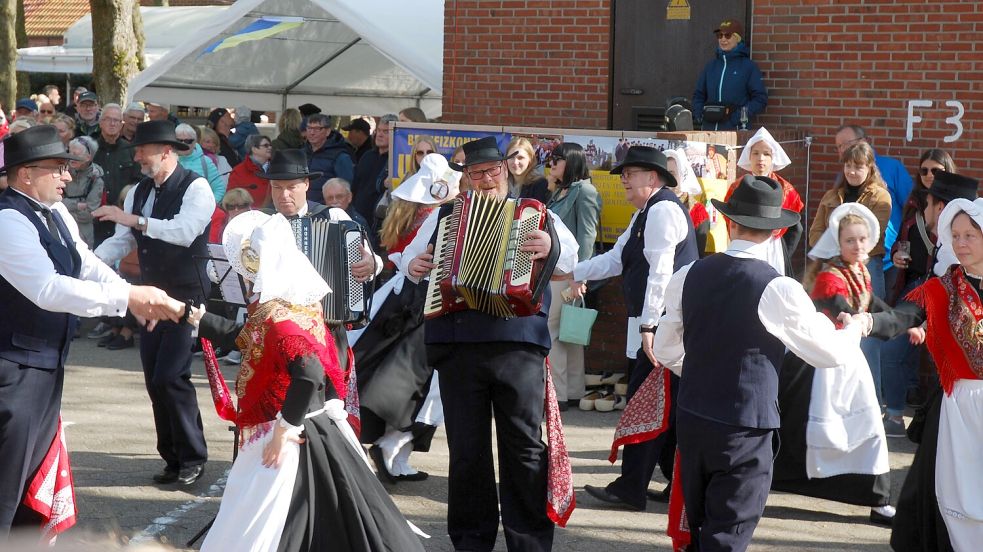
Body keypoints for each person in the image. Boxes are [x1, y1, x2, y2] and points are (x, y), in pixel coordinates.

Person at [653, 174, 869, 552]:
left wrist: (709, 369)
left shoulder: (688, 274)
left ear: (730, 223)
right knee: (726, 536)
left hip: (694, 417)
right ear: (773, 233)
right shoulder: (779, 288)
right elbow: (829, 353)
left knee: (703, 526)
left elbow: (666, 349)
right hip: (744, 428)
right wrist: (859, 327)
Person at [191, 211, 425, 552]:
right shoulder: (299, 300)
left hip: (291, 427)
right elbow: (253, 339)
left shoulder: (279, 314)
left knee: (279, 517)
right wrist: (200, 320)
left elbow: (309, 373)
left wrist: (283, 431)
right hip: (311, 424)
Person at [0, 125, 181, 539]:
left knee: (31, 481)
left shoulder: (55, 212)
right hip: (14, 371)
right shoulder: (8, 219)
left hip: (45, 365)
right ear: (26, 174)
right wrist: (128, 302)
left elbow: (86, 264)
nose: (67, 177)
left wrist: (132, 294)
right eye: (58, 168)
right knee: (7, 486)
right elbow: (47, 288)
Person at [404, 136, 580, 550]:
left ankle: (529, 542)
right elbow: (410, 263)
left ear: (507, 170)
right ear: (464, 178)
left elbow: (571, 262)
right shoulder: (445, 217)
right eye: (475, 173)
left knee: (523, 447)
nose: (485, 180)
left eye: (492, 171)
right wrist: (415, 265)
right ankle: (470, 540)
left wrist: (550, 248)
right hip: (458, 345)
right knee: (468, 452)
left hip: (517, 345)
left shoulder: (535, 214)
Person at [568, 146, 698, 511]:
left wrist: (649, 324)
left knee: (647, 404)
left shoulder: (662, 211)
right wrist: (569, 271)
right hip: (661, 325)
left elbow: (660, 272)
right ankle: (679, 485)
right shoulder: (645, 212)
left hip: (667, 326)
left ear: (652, 178)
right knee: (665, 409)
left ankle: (631, 488)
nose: (623, 179)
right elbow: (614, 259)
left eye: (631, 173)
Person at [777, 203, 921, 526]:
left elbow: (873, 304)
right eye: (849, 241)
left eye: (861, 240)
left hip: (847, 357)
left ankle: (877, 497)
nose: (856, 246)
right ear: (838, 243)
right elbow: (839, 304)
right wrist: (847, 315)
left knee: (862, 425)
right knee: (815, 424)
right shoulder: (831, 275)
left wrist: (905, 324)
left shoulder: (860, 272)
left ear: (870, 242)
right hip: (822, 358)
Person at [93, 120, 215, 487]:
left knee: (171, 377)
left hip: (185, 295)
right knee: (153, 379)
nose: (138, 157)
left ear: (165, 152)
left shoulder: (198, 187)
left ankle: (193, 456)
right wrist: (87, 263)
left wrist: (135, 220)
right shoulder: (140, 191)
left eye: (143, 151)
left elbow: (183, 231)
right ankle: (173, 458)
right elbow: (123, 240)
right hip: (150, 295)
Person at [351, 153, 461, 483]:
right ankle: (394, 448)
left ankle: (397, 454)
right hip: (419, 301)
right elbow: (407, 259)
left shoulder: (402, 212)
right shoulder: (435, 214)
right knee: (426, 385)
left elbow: (395, 256)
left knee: (406, 380)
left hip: (401, 298)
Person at [891, 171, 979, 552]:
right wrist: (865, 321)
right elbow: (904, 315)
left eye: (970, 236)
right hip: (958, 406)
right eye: (955, 236)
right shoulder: (944, 287)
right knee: (953, 492)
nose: (960, 244)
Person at [260, 149, 381, 378]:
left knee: (329, 404)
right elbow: (221, 267)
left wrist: (370, 264)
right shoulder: (260, 223)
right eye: (277, 187)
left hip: (328, 328)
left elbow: (372, 258)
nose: (284, 194)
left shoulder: (333, 217)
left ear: (306, 184)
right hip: (275, 330)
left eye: (291, 186)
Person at [810, 141, 892, 407]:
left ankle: (871, 402)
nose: (852, 172)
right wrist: (834, 252)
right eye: (848, 165)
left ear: (869, 167)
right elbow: (814, 233)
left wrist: (841, 243)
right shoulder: (832, 196)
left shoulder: (881, 196)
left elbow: (871, 239)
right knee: (833, 329)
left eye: (858, 166)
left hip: (867, 267)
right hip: (832, 269)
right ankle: (836, 401)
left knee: (866, 335)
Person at [881, 150, 957, 435]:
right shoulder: (913, 204)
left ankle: (940, 422)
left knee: (946, 358)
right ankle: (895, 416)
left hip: (947, 288)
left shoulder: (959, 210)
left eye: (935, 171)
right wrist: (897, 256)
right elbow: (901, 241)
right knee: (892, 349)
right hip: (913, 287)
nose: (928, 176)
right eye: (924, 171)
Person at [543, 143, 600, 409]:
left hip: (569, 273)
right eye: (550, 159)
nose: (551, 164)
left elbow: (587, 236)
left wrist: (581, 276)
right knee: (569, 331)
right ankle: (574, 391)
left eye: (557, 160)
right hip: (559, 271)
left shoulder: (585, 191)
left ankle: (559, 395)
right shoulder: (561, 191)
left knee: (554, 330)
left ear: (572, 161)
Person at [835, 124, 914, 275]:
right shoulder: (843, 177)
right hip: (851, 258)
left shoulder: (891, 167)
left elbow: (911, 208)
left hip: (889, 258)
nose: (843, 150)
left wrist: (904, 246)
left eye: (846, 143)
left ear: (864, 141)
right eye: (839, 146)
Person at [726, 127, 805, 276]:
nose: (760, 158)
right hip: (744, 244)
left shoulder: (785, 188)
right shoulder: (738, 187)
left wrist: (783, 251)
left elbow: (796, 227)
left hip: (774, 247)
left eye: (766, 154)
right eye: (755, 153)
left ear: (773, 158)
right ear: (749, 157)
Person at [692, 19, 768, 131]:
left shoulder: (748, 67)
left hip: (735, 130)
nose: (723, 39)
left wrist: (739, 117)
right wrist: (700, 114)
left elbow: (760, 99)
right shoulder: (710, 66)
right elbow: (698, 95)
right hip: (708, 131)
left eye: (727, 35)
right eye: (719, 35)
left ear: (737, 38)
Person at [92, 104, 142, 246]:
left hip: (121, 218)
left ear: (121, 124)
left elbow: (139, 181)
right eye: (108, 119)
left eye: (117, 120)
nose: (112, 123)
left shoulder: (131, 150)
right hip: (94, 218)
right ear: (101, 122)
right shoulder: (89, 148)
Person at [351, 114, 396, 231]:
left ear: (395, 134)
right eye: (379, 130)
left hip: (381, 221)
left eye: (386, 132)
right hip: (358, 215)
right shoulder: (367, 155)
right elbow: (355, 185)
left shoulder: (396, 161)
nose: (380, 134)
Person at [664, 148, 710, 256]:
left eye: (672, 174)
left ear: (682, 175)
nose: (667, 179)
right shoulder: (652, 205)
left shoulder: (697, 212)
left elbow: (697, 254)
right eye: (664, 174)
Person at [63, 136, 105, 248]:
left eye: (76, 154)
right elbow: (53, 202)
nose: (71, 157)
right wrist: (76, 205)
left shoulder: (96, 179)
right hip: (61, 229)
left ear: (88, 157)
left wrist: (65, 209)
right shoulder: (63, 171)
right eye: (70, 152)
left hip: (83, 235)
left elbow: (89, 213)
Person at [303, 114, 354, 202]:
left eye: (317, 129)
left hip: (326, 209)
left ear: (327, 131)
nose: (312, 132)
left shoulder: (340, 156)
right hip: (302, 208)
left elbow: (346, 188)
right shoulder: (300, 153)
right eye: (309, 128)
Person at [174, 124, 225, 202]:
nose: (183, 144)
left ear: (195, 142)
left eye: (188, 141)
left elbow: (219, 188)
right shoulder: (167, 160)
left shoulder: (205, 161)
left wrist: (209, 206)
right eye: (179, 141)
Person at [227, 134, 273, 208]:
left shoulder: (277, 168)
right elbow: (231, 198)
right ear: (254, 149)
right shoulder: (238, 172)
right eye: (266, 145)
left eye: (270, 145)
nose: (270, 148)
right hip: (248, 215)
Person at [507, 137, 550, 203]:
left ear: (530, 159)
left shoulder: (539, 184)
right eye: (511, 157)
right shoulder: (502, 183)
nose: (515, 162)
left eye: (520, 158)